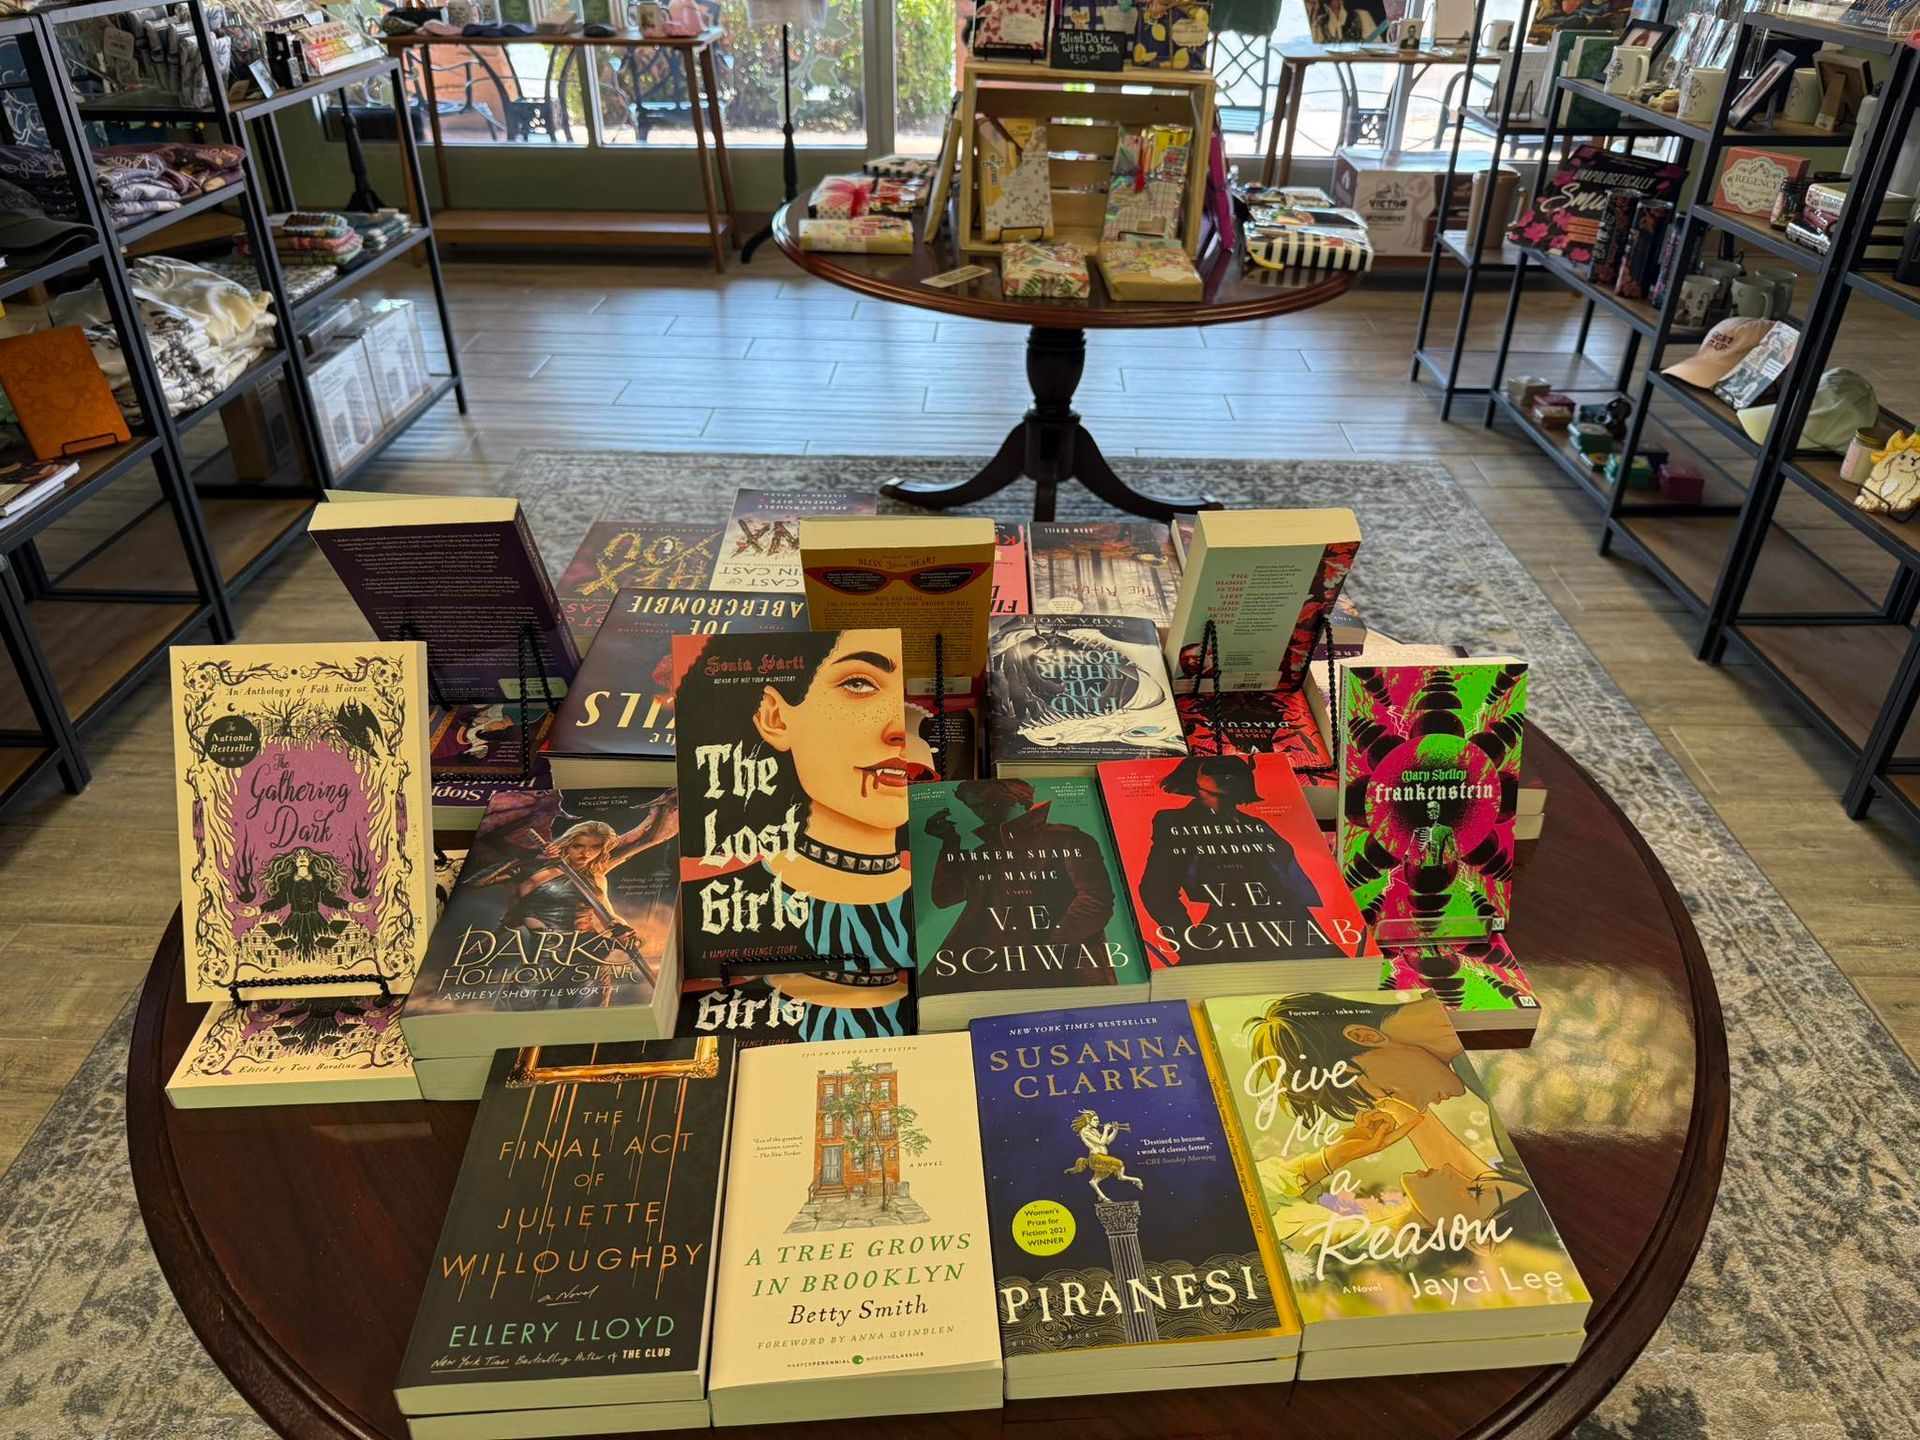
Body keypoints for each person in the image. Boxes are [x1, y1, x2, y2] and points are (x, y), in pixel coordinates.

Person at [677, 628, 920, 972]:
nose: (901, 729)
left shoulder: (959, 903)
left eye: (910, 696)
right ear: (775, 717)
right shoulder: (708, 911)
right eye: (858, 683)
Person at [1137, 754, 1321, 967]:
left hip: (1298, 926)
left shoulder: (1256, 824)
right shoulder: (1174, 821)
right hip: (1232, 933)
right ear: (1194, 783)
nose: (1227, 778)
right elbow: (1155, 890)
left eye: (1234, 776)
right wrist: (1189, 943)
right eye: (1216, 775)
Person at [924, 778, 1115, 959]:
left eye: (992, 803)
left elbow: (1096, 899)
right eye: (975, 807)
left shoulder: (1068, 839)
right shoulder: (985, 851)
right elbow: (945, 897)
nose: (982, 812)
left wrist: (1048, 949)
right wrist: (950, 842)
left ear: (1021, 801)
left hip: (1061, 967)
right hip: (985, 967)